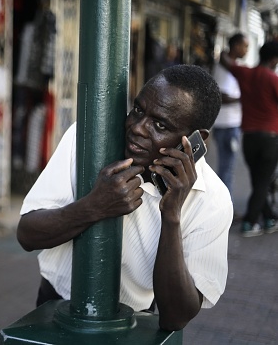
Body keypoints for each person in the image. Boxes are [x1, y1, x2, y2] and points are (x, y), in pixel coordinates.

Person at [17, 65, 232, 331]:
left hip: (134, 323)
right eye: (138, 109)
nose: (138, 128)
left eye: (160, 125)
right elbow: (27, 235)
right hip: (57, 307)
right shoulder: (87, 138)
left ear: (196, 140)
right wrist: (94, 207)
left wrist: (172, 213)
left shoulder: (213, 200)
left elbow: (176, 316)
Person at [221, 41, 278, 237]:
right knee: (262, 183)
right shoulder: (273, 79)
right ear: (273, 60)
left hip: (249, 140)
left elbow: (225, 61)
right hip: (270, 140)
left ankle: (270, 218)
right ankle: (250, 222)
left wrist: (228, 47)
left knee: (258, 181)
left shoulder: (245, 73)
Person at [212, 33, 248, 206]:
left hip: (229, 124)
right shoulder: (224, 67)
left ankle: (223, 206)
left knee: (227, 168)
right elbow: (220, 96)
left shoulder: (233, 65)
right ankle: (225, 208)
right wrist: (243, 98)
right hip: (227, 125)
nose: (246, 50)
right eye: (244, 46)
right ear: (235, 46)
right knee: (227, 169)